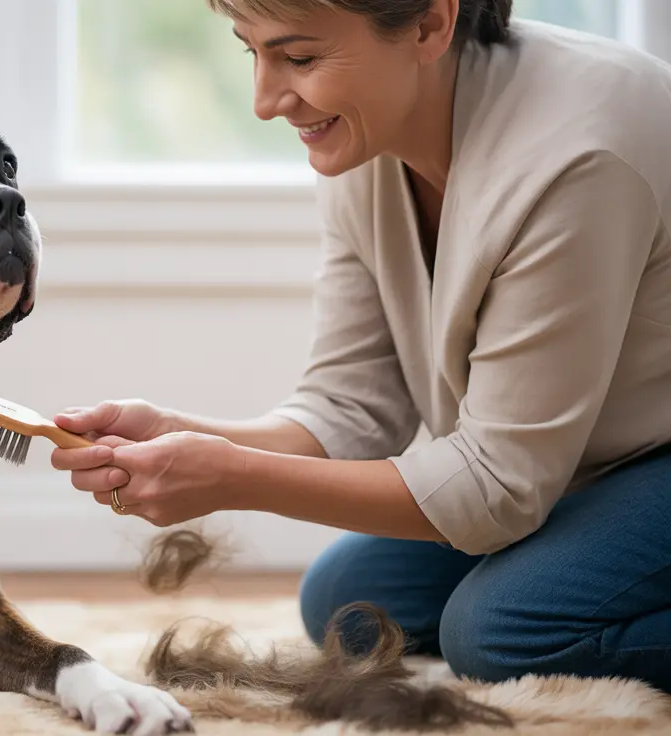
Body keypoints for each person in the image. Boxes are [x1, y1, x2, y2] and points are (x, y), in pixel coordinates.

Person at [50, 0, 671, 693]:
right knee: (348, 606)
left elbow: (497, 487)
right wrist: (184, 435)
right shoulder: (368, 139)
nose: (264, 101)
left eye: (301, 58)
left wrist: (231, 477)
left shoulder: (578, 156)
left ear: (431, 23)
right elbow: (352, 405)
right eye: (250, 51)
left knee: (499, 630)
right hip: (579, 466)